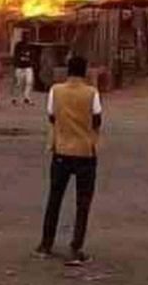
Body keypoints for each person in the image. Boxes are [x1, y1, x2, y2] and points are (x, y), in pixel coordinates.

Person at [35, 55, 103, 265]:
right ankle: (76, 246)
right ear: (84, 72)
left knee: (54, 199)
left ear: (67, 71)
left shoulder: (56, 90)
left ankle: (46, 244)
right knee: (83, 202)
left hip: (61, 151)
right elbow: (97, 119)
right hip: (85, 152)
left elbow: (51, 116)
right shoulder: (92, 92)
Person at [11, 40, 35, 106]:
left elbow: (32, 55)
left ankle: (26, 97)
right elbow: (15, 56)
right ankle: (15, 98)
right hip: (20, 67)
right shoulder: (18, 45)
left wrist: (31, 61)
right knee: (18, 83)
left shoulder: (30, 46)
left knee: (29, 82)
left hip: (28, 66)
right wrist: (16, 64)